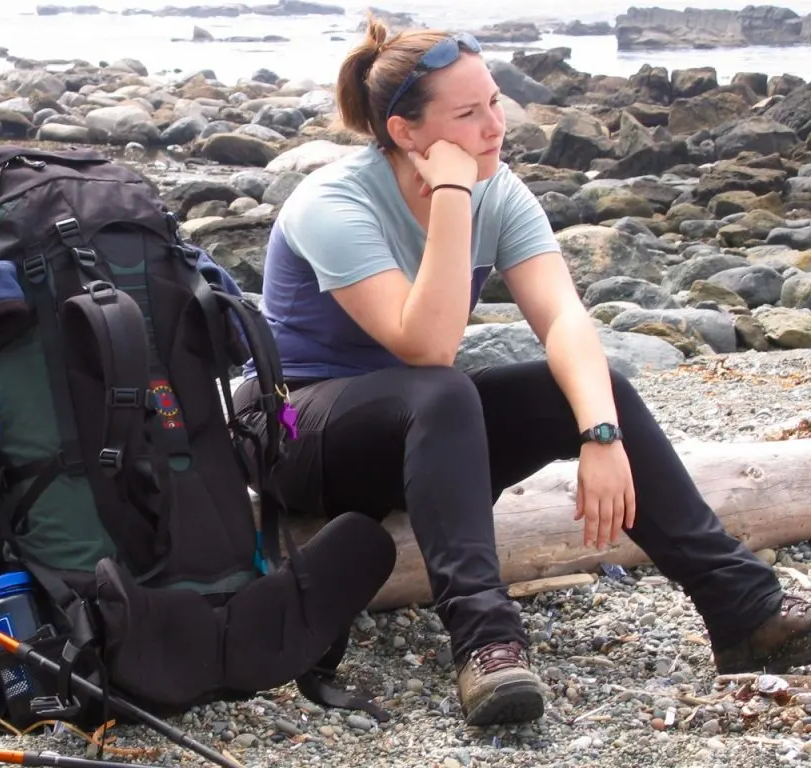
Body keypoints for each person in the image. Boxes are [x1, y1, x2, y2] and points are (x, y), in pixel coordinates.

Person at [232, 16, 811, 727]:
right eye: (468, 114)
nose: (494, 127)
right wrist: (451, 197)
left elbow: (565, 320)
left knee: (585, 387)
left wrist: (599, 434)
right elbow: (428, 346)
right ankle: (488, 645)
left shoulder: (497, 189)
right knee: (442, 388)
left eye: (495, 103)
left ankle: (744, 608)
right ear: (407, 132)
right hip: (293, 427)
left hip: (420, 433)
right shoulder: (334, 202)